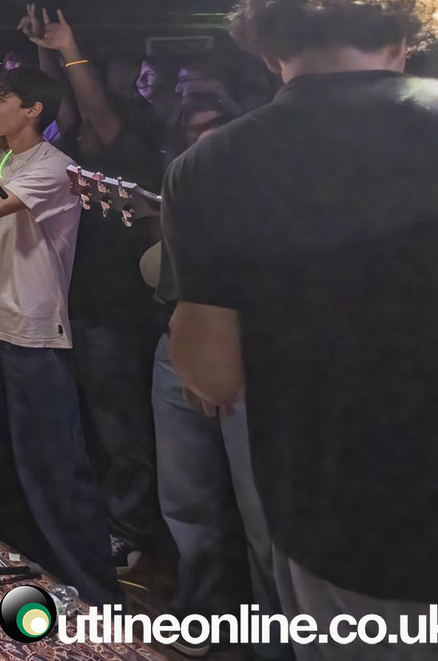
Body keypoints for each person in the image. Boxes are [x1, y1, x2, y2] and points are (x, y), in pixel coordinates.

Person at [165, 0, 438, 656]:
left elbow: (211, 373)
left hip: (339, 514)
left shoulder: (211, 165)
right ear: (407, 32)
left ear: (267, 49)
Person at [0, 67, 121, 605]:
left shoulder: (56, 166)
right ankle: (17, 562)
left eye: (1, 98)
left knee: (53, 466)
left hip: (31, 333)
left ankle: (96, 591)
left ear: (34, 109)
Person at [20, 7, 165, 575]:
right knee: (84, 419)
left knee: (120, 424)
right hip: (73, 300)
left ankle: (130, 530)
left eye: (90, 121)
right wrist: (42, 52)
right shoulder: (78, 150)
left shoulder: (128, 149)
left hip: (115, 305)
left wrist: (68, 47)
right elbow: (65, 105)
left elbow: (97, 111)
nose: (79, 125)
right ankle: (90, 519)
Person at [148, 89, 285, 660]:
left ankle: (277, 642)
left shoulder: (272, 183)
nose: (205, 137)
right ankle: (201, 614)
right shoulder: (186, 179)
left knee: (263, 519)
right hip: (180, 342)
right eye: (193, 128)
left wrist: (217, 358)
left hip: (249, 353)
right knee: (187, 501)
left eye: (217, 124)